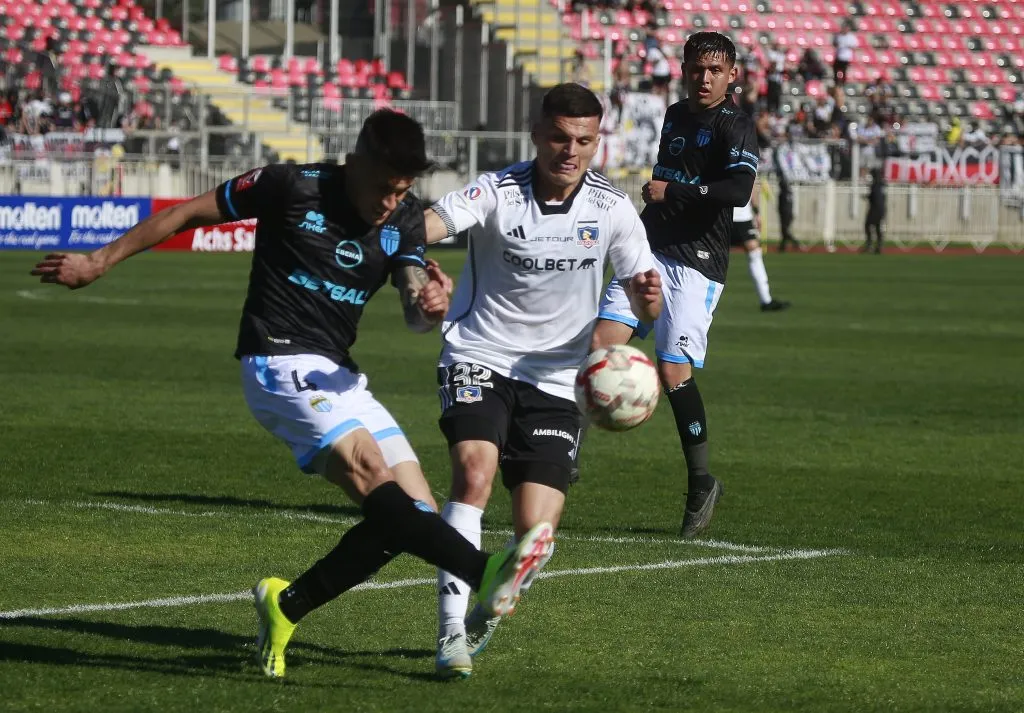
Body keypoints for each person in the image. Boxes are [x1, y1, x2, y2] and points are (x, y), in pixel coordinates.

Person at [30, 109, 555, 680]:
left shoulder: (402, 218)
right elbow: (185, 212)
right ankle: (483, 571)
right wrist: (97, 261)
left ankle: (286, 607)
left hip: (338, 375)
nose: (389, 201)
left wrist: (428, 302)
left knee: (412, 515)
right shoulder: (290, 185)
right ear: (354, 164)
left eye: (401, 190)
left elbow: (411, 299)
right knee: (370, 470)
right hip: (276, 359)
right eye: (383, 187)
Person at [422, 82, 663, 678]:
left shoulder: (611, 208)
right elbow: (435, 220)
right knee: (473, 474)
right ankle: (449, 633)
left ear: (596, 140)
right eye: (559, 137)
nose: (570, 150)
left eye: (583, 140)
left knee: (535, 535)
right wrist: (407, 252)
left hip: (558, 379)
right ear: (536, 134)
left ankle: (491, 605)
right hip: (480, 354)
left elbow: (646, 303)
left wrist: (648, 299)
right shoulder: (499, 191)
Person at [591, 31, 759, 539]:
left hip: (698, 261)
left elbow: (738, 190)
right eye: (696, 68)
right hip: (649, 248)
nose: (704, 78)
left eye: (715, 70)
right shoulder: (674, 116)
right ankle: (562, 453)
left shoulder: (737, 126)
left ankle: (700, 482)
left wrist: (675, 189)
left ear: (732, 75)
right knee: (598, 347)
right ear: (684, 69)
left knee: (671, 371)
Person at [731, 182, 790, 311]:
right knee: (714, 255)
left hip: (743, 217)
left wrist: (756, 212)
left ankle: (766, 300)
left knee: (755, 252)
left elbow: (752, 184)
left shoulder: (748, 161)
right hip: (723, 214)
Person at [863, 166, 886, 254]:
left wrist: (867, 197)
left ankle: (869, 245)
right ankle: (879, 246)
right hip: (882, 209)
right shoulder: (882, 184)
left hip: (875, 209)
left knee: (867, 225)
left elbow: (874, 197)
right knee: (877, 227)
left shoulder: (875, 185)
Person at [833, 21, 857, 85]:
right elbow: (835, 44)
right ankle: (837, 83)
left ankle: (843, 83)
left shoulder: (851, 37)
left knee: (843, 71)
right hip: (839, 56)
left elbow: (854, 47)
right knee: (836, 70)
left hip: (846, 57)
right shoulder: (838, 36)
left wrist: (847, 46)